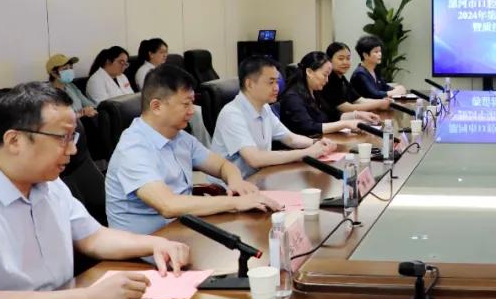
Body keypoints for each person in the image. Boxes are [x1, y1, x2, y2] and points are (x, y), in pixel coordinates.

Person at [0, 82, 192, 299]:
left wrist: (155, 244)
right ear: (14, 140)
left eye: (73, 137)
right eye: (62, 138)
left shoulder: (47, 181)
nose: (73, 150)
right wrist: (89, 298)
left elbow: (94, 237)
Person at [105, 65, 278, 235]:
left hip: (182, 230)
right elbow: (168, 205)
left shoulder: (180, 137)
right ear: (156, 106)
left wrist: (236, 182)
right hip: (146, 244)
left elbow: (222, 165)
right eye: (186, 104)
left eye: (192, 103)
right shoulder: (133, 148)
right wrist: (236, 203)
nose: (192, 111)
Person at [212, 56, 337, 179]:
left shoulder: (264, 107)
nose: (276, 87)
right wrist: (306, 153)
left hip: (260, 177)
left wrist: (316, 143)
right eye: (271, 82)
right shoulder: (232, 114)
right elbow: (254, 159)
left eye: (277, 81)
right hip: (233, 186)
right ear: (249, 84)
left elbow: (290, 138)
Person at [282, 52, 375, 136]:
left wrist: (357, 115)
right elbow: (308, 127)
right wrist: (344, 124)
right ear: (309, 72)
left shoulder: (316, 91)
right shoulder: (293, 97)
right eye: (325, 75)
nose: (327, 80)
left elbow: (331, 115)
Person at [322, 41, 390, 115]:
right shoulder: (329, 79)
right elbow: (345, 108)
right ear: (329, 60)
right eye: (341, 59)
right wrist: (378, 104)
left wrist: (381, 102)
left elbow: (358, 100)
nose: (345, 62)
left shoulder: (342, 78)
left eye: (348, 58)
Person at [46, 54, 97, 119]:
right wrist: (82, 113)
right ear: (54, 73)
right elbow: (58, 119)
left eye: (71, 68)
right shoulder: (48, 93)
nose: (69, 71)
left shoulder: (71, 86)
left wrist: (90, 109)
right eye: (65, 69)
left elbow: (88, 103)